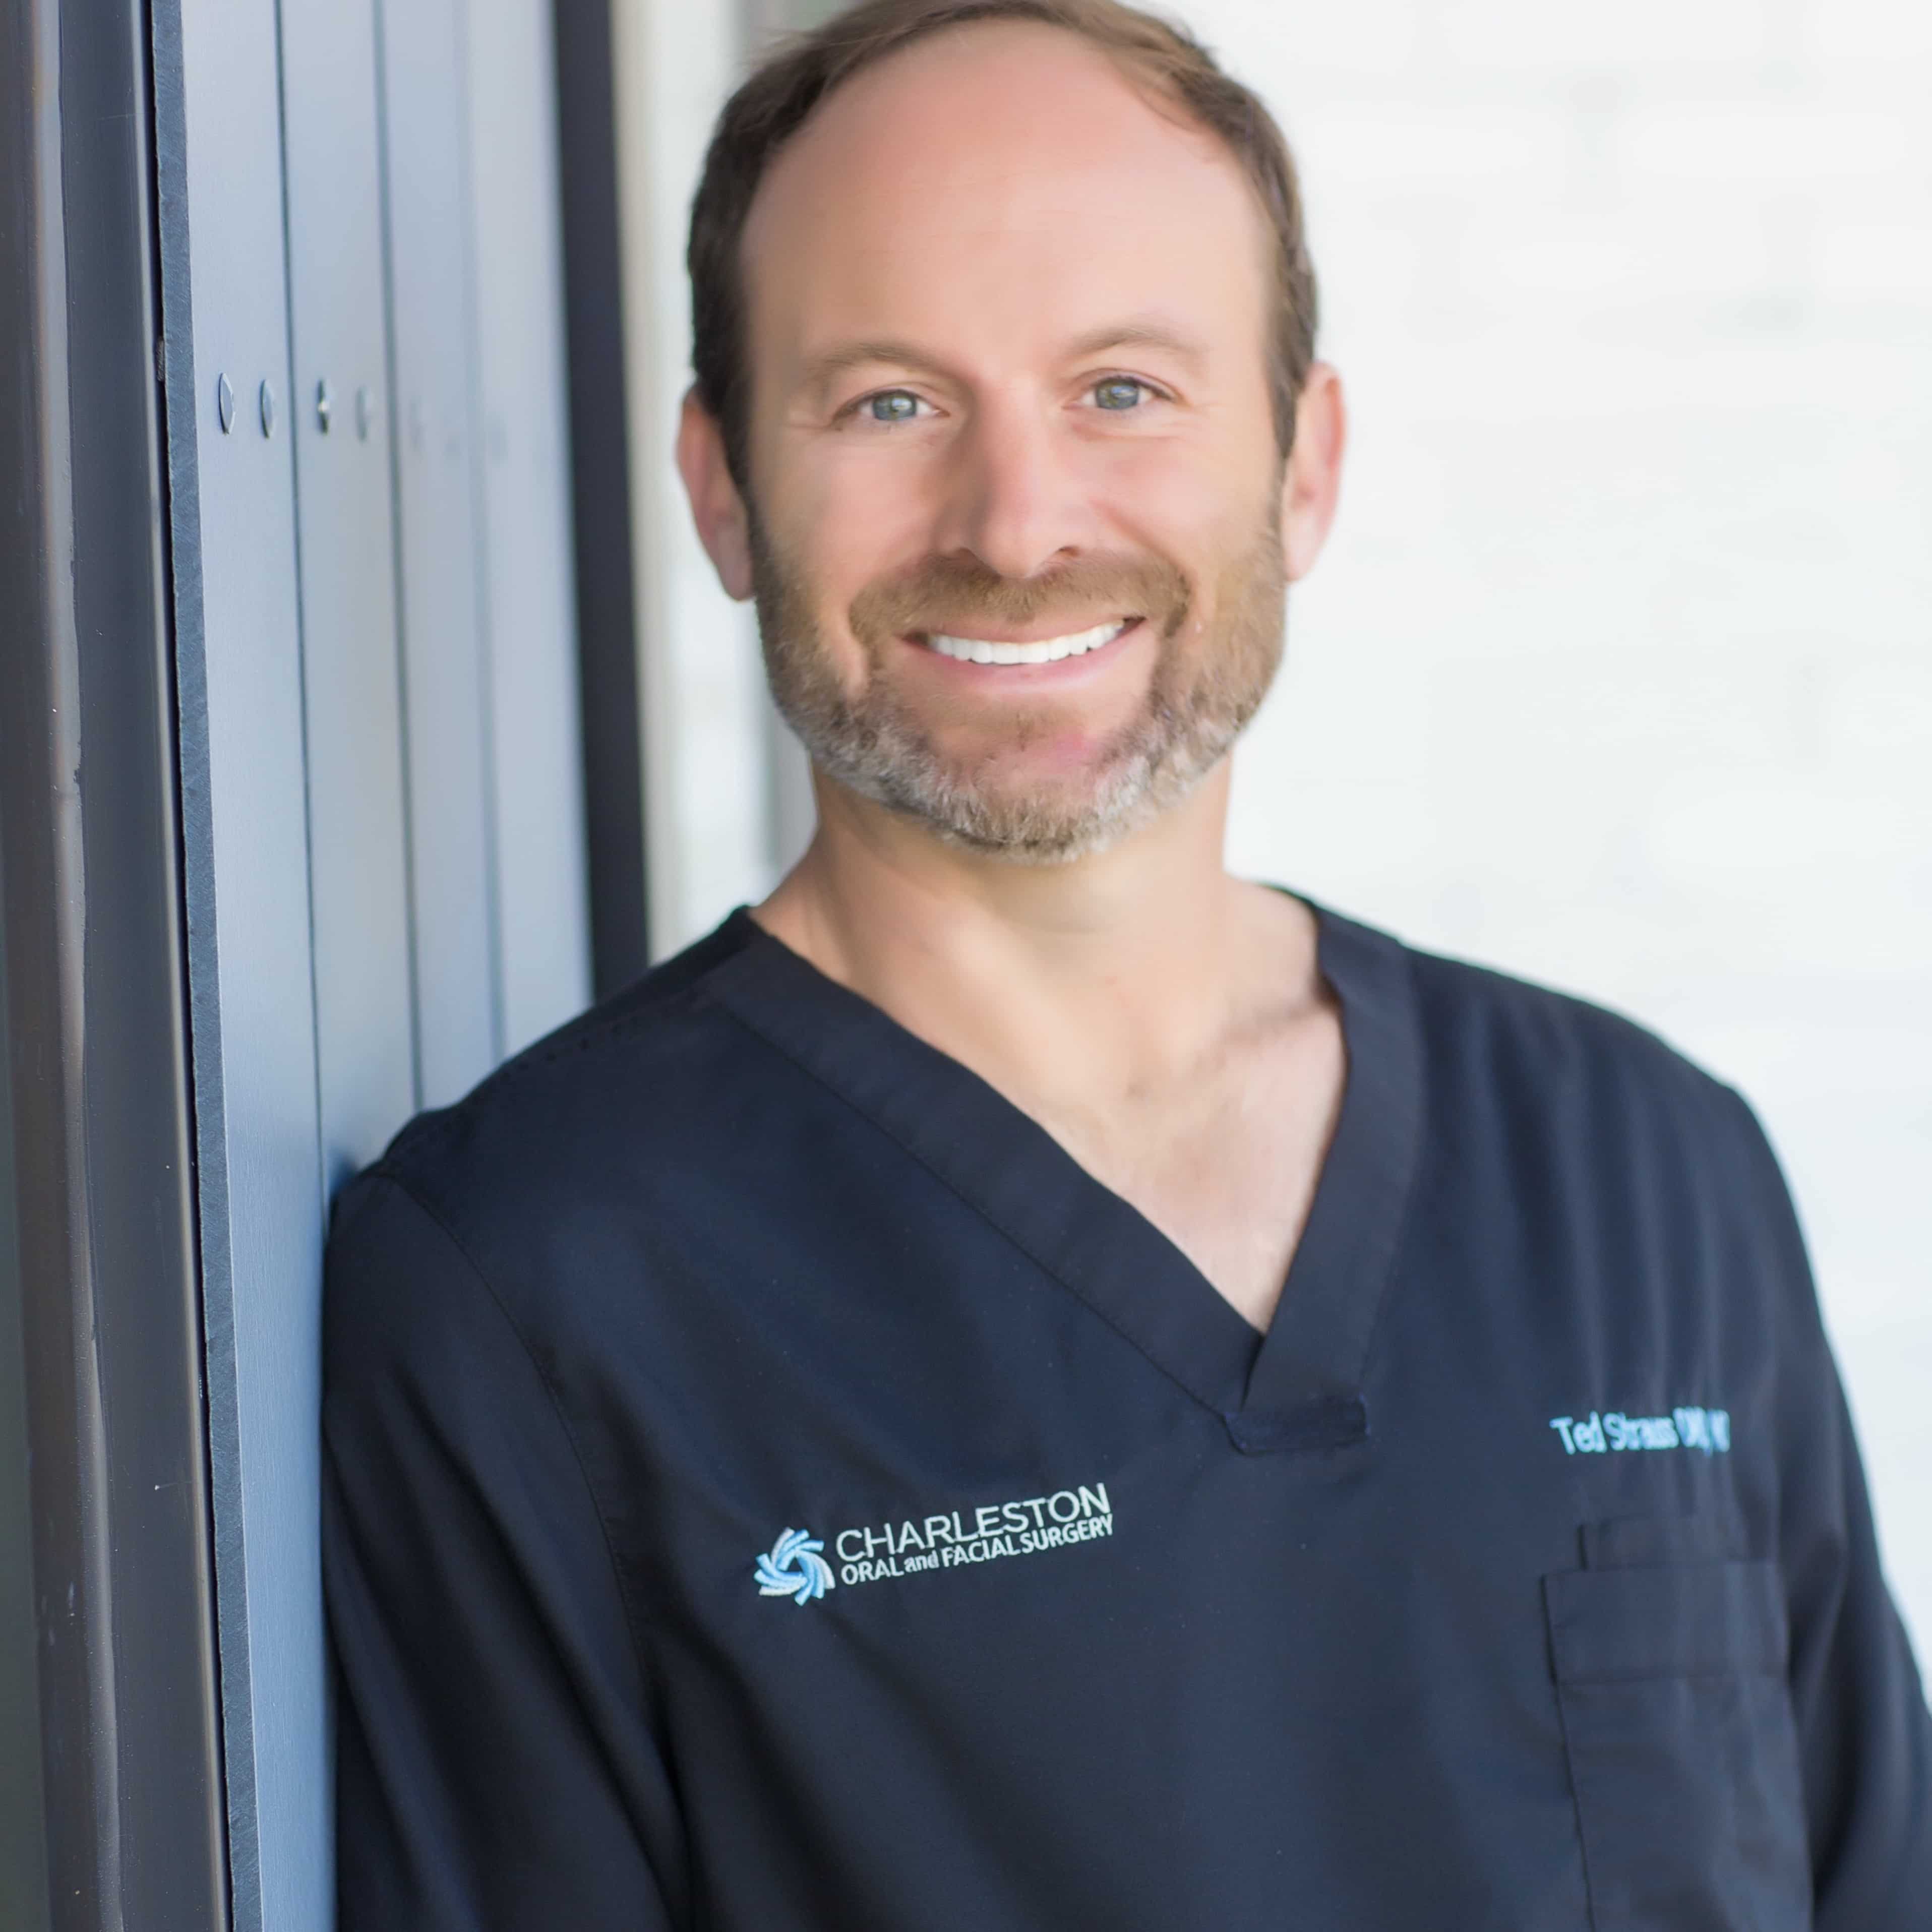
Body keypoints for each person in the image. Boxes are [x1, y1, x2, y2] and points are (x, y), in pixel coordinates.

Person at [321, 2, 1932, 1925]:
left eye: (1125, 391)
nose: (1017, 529)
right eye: (891, 402)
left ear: (1304, 463)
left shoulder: (1652, 1174)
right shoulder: (531, 1285)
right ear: (724, 486)